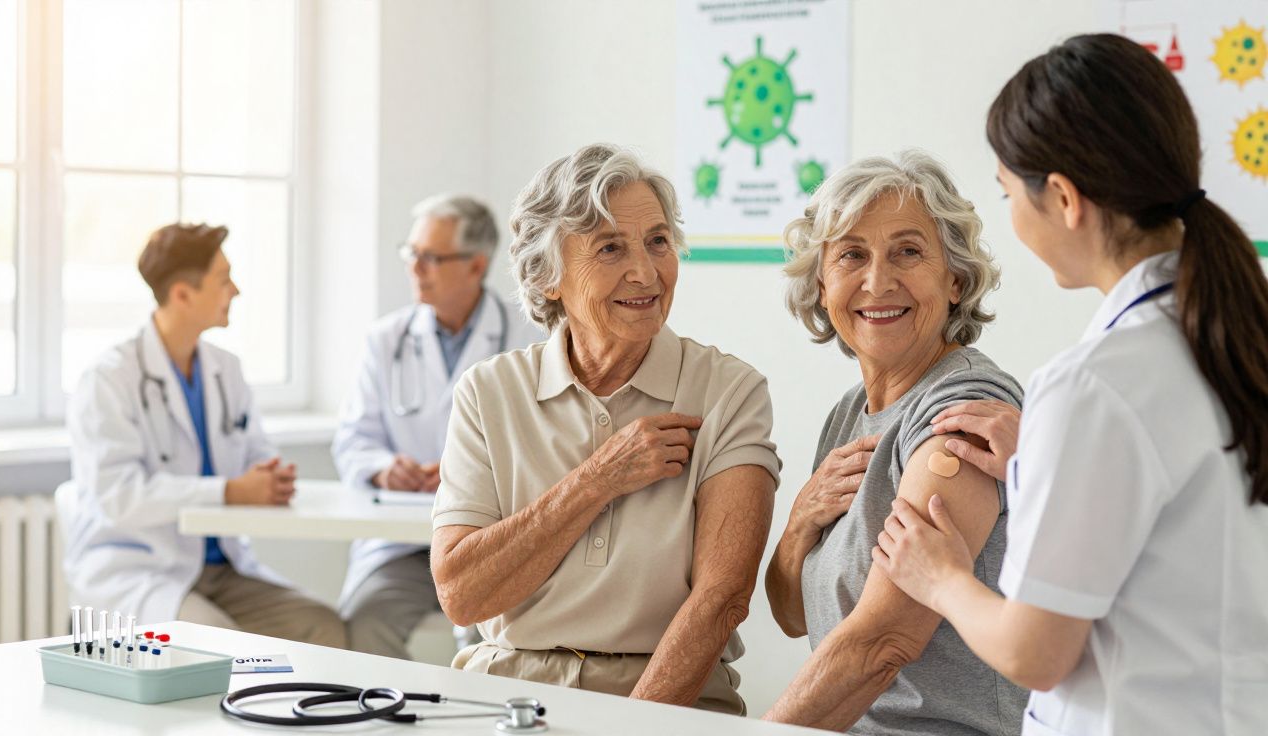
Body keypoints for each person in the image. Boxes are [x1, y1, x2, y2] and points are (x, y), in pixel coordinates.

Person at [873, 34, 1268, 736]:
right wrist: (1042, 465)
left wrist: (943, 579)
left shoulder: (1094, 387)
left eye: (1007, 194)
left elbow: (1036, 653)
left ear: (1062, 197)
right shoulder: (1237, 338)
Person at [429, 143, 781, 715]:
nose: (645, 272)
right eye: (610, 248)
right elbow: (462, 595)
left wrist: (629, 727)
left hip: (668, 699)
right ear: (548, 277)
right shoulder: (488, 391)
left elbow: (723, 598)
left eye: (658, 242)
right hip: (507, 692)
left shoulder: (729, 390)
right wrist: (596, 481)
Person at [764, 151, 1027, 734]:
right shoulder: (848, 416)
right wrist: (798, 525)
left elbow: (884, 640)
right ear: (823, 284)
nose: (878, 281)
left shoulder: (964, 409)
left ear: (954, 279)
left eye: (908, 252)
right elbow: (790, 614)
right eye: (852, 255)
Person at [65, 223, 346, 647]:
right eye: (223, 279)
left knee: (323, 626)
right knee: (218, 641)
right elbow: (118, 496)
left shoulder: (224, 370)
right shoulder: (108, 379)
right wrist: (231, 491)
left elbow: (255, 449)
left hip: (223, 569)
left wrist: (269, 476)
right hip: (140, 568)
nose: (235, 290)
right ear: (182, 294)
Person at [332, 194, 542, 659]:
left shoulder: (529, 339)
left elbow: (546, 448)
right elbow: (353, 438)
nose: (416, 268)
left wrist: (463, 477)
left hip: (490, 543)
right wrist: (386, 468)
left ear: (475, 265)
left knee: (504, 641)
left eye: (431, 257)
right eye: (412, 254)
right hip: (401, 548)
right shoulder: (386, 339)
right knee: (364, 623)